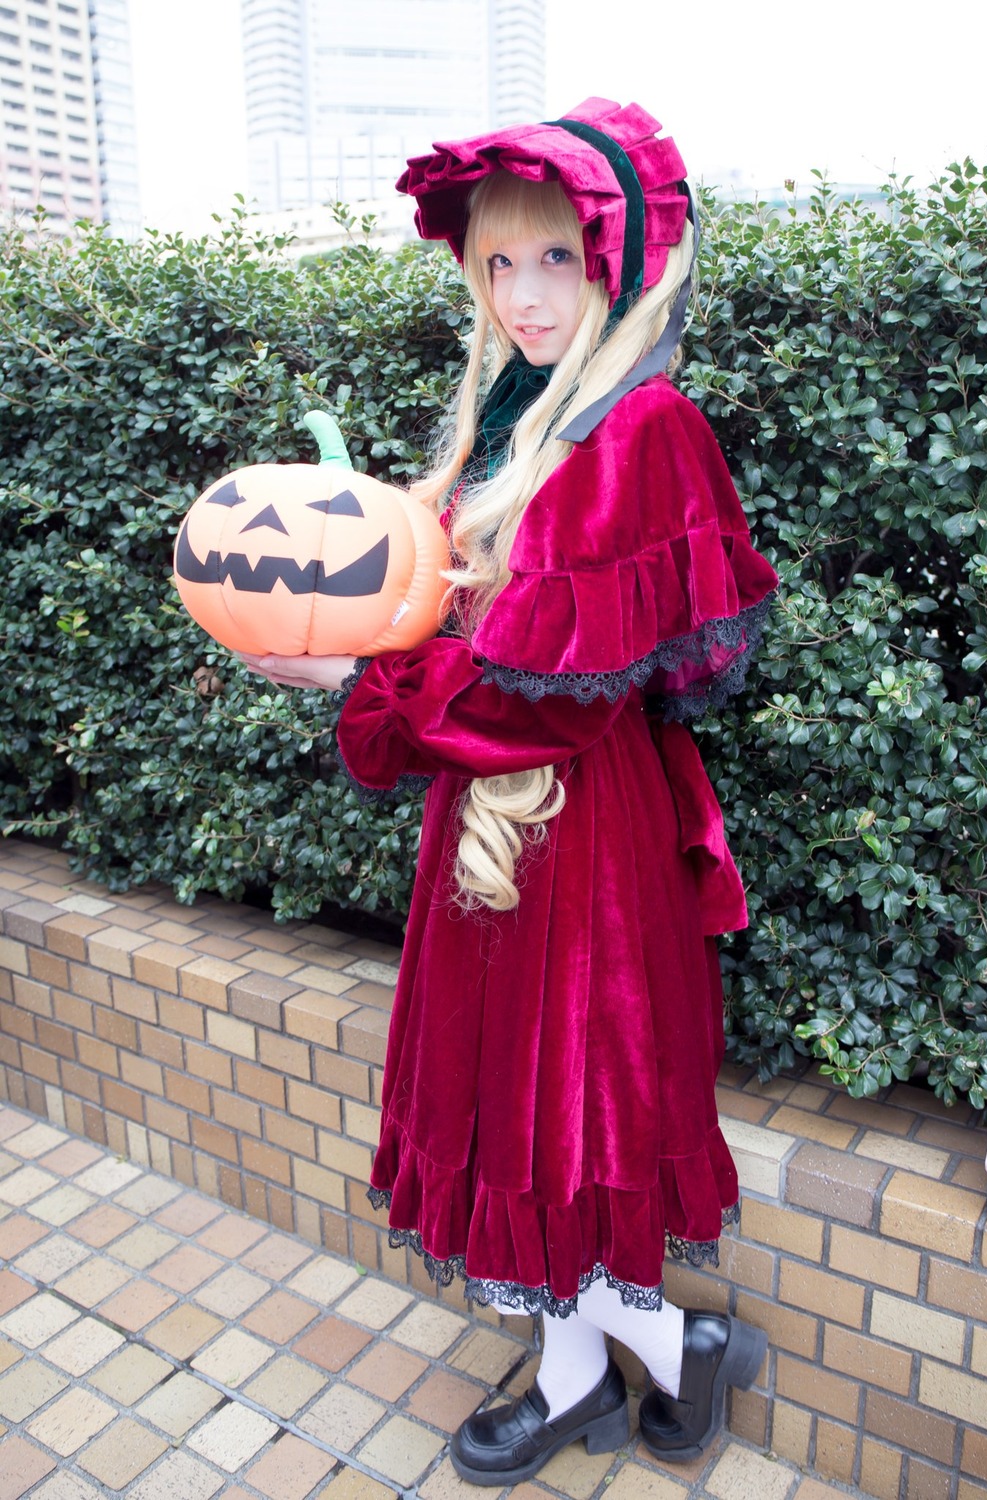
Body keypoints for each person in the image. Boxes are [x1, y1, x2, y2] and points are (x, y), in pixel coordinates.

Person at [245, 97, 779, 1485]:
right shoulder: (524, 417)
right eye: (497, 265)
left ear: (619, 257)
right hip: (495, 837)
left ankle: (662, 1350)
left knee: (561, 1114)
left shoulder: (639, 428)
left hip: (577, 846)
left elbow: (558, 696)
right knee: (517, 1114)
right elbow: (470, 645)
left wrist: (366, 674)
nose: (524, 293)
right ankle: (578, 1374)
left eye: (554, 259)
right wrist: (363, 622)